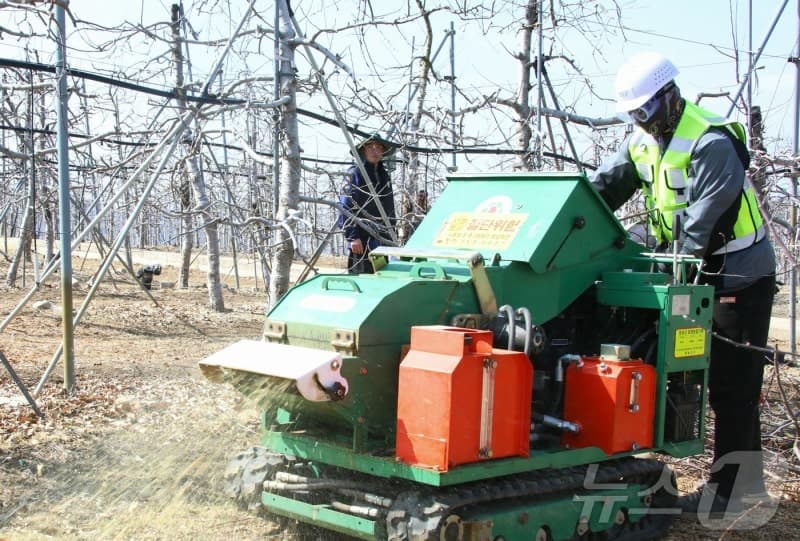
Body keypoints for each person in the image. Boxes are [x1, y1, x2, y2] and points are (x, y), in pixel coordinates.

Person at [590, 52, 776, 516]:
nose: (642, 121)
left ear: (670, 96)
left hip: (737, 274)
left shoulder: (711, 141)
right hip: (689, 267)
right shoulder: (640, 144)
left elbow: (701, 226)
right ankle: (744, 486)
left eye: (646, 110)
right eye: (634, 114)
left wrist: (667, 280)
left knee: (733, 387)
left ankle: (733, 495)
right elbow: (600, 192)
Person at [337, 135, 397, 274]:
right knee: (362, 278)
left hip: (381, 239)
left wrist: (390, 233)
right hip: (361, 240)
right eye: (371, 147)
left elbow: (389, 207)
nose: (375, 151)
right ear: (363, 150)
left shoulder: (384, 176)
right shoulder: (355, 173)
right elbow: (345, 206)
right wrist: (353, 236)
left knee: (381, 276)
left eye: (379, 147)